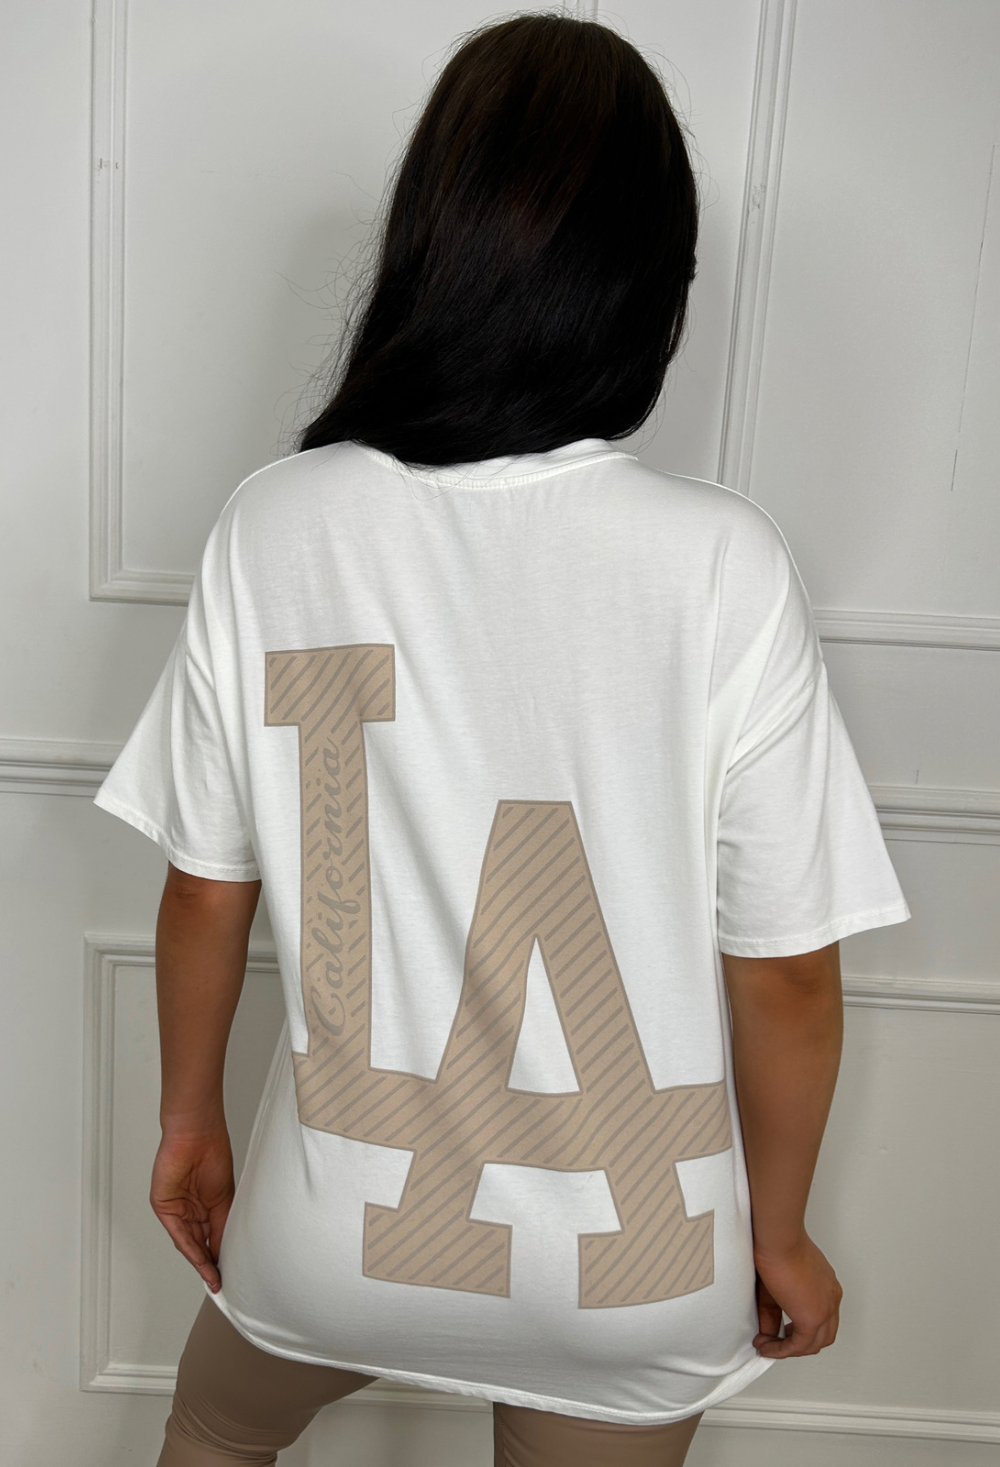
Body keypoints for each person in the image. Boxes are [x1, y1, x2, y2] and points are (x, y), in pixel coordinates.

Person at [93, 12, 911, 1466]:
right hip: (633, 1264)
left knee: (215, 1429)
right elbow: (786, 970)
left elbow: (206, 891)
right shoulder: (721, 564)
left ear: (430, 244)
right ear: (647, 288)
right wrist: (779, 1230)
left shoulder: (276, 524)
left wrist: (188, 1125)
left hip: (338, 1230)